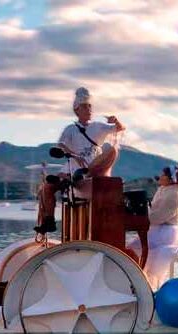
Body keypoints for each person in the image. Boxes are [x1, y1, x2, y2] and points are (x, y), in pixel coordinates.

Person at [35, 87, 125, 233]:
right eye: (84, 106)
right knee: (47, 188)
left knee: (112, 150)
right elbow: (61, 145)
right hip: (72, 167)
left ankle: (81, 177)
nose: (88, 109)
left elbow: (120, 129)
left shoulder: (98, 126)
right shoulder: (70, 129)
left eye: (90, 106)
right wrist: (75, 155)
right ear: (77, 110)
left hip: (93, 168)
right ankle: (49, 221)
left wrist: (116, 121)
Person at [129, 166, 178, 290]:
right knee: (132, 247)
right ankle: (137, 281)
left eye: (163, 175)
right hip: (158, 229)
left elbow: (158, 217)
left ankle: (143, 284)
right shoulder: (165, 190)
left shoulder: (175, 194)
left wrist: (141, 217)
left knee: (137, 249)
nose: (160, 177)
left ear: (171, 179)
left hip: (167, 232)